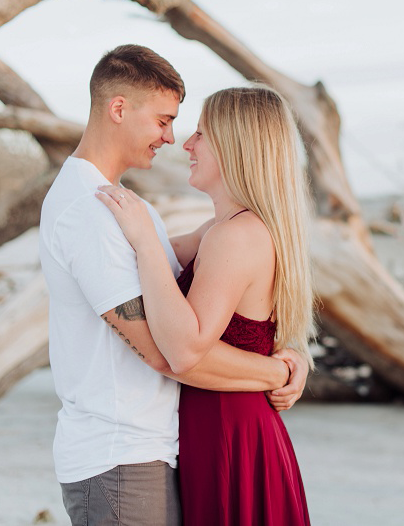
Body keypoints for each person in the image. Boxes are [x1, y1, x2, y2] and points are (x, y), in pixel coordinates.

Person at [38, 45, 307, 526]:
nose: (176, 139)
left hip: (164, 446)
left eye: (194, 130)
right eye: (165, 121)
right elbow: (171, 352)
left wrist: (290, 360)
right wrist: (277, 373)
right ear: (118, 109)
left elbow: (191, 287)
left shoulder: (132, 211)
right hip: (121, 452)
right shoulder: (91, 211)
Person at [96, 85, 315, 526]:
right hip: (223, 426)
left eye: (201, 133)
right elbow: (151, 260)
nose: (187, 144)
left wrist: (143, 239)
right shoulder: (222, 228)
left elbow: (184, 348)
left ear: (237, 145)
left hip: (229, 435)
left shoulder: (235, 236)